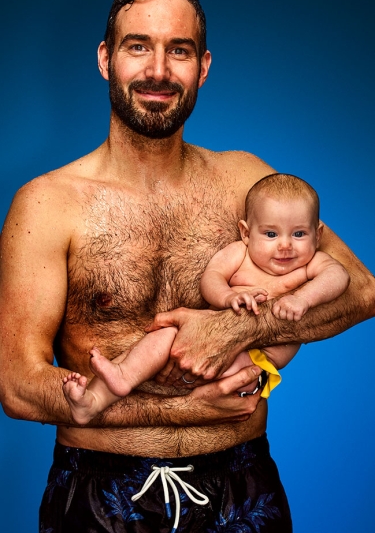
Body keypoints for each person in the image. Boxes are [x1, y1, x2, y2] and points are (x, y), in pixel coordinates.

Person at [0, 0, 374, 533]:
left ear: (203, 66)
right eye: (137, 47)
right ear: (106, 59)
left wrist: (231, 330)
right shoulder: (47, 204)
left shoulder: (247, 182)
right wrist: (179, 413)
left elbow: (362, 290)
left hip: (240, 486)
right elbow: (17, 383)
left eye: (179, 50)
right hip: (98, 494)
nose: (157, 70)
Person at [62, 173, 350, 426]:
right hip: (199, 340)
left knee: (233, 377)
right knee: (162, 338)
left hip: (254, 360)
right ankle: (100, 395)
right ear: (247, 233)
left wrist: (303, 298)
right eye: (271, 234)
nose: (285, 245)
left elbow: (339, 277)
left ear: (318, 234)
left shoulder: (312, 264)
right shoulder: (240, 254)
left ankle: (118, 385)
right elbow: (210, 279)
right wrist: (228, 295)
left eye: (299, 233)